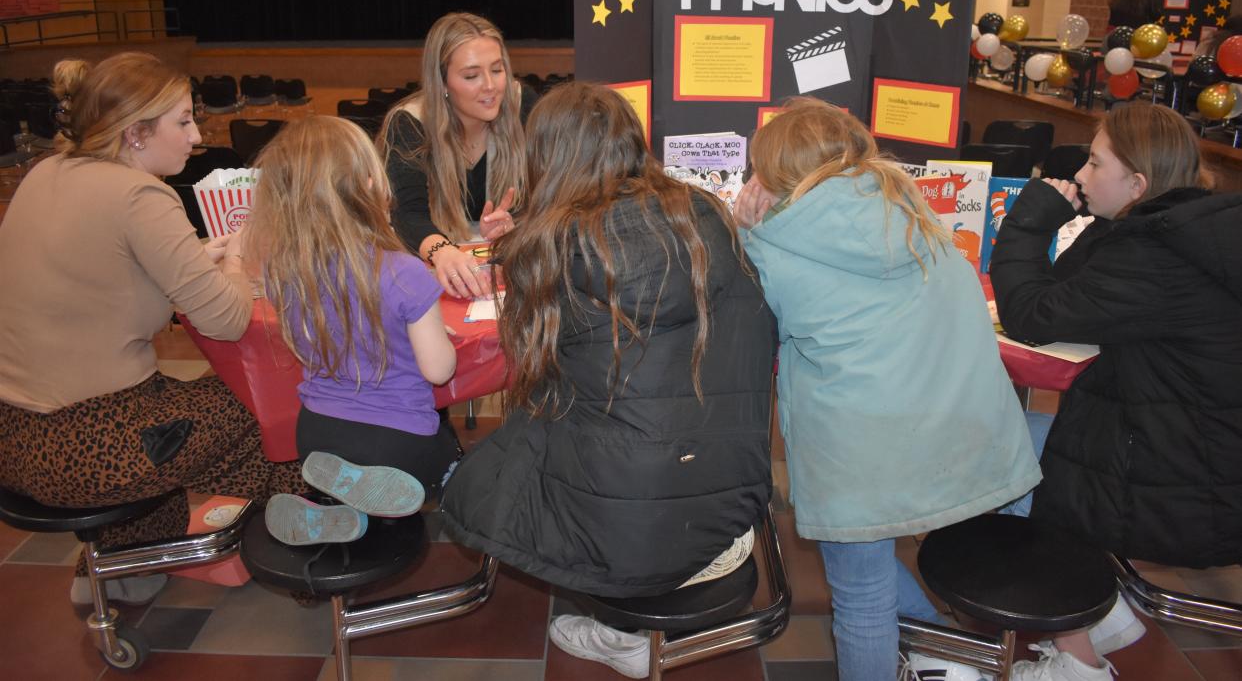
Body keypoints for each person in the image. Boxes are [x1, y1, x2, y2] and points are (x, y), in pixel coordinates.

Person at [440, 82, 776, 679]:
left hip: (621, 539)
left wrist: (517, 247)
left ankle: (621, 634)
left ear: (550, 157)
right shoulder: (707, 217)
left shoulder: (553, 250)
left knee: (477, 477)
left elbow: (538, 386)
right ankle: (627, 626)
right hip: (730, 514)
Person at [732, 99, 1042, 681]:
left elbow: (747, 331)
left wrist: (746, 230)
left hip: (862, 456)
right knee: (865, 570)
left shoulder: (768, 246)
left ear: (775, 176)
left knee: (860, 593)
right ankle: (944, 649)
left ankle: (941, 648)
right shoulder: (914, 211)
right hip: (965, 442)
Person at [0, 52, 305, 604]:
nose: (195, 136)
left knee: (187, 405)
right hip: (89, 445)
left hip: (15, 437)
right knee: (276, 398)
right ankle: (302, 553)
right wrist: (236, 257)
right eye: (184, 121)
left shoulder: (46, 172)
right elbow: (228, 318)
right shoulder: (141, 195)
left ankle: (128, 557)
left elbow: (101, 268)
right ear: (136, 134)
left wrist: (193, 255)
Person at [991, 103, 1242, 681]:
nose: (1079, 175)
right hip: (1199, 452)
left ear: (1138, 184)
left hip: (1182, 480)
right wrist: (1103, 221)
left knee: (996, 447)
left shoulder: (1156, 256)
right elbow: (1068, 293)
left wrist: (1028, 223)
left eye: (1094, 163)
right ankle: (1096, 616)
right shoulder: (1179, 233)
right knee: (1015, 435)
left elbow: (1032, 313)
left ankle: (1076, 659)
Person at [244, 116, 461, 545]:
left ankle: (344, 514)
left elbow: (320, 342)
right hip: (398, 442)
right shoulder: (404, 273)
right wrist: (438, 337)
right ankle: (421, 493)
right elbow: (438, 371)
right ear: (368, 185)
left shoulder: (284, 271)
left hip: (316, 435)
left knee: (361, 478)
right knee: (458, 466)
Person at [378, 12, 525, 299]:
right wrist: (442, 252)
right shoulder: (408, 124)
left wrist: (517, 225)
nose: (490, 86)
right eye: (471, 75)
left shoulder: (524, 106)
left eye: (497, 70)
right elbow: (407, 212)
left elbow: (550, 199)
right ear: (442, 83)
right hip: (434, 271)